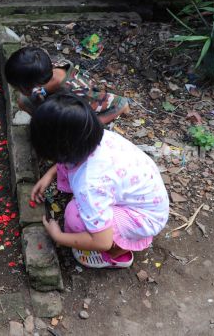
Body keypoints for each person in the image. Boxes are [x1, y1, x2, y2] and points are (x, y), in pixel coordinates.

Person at [29, 94, 168, 268]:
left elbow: (101, 241)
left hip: (145, 217)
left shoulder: (90, 184)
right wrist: (49, 175)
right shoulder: (93, 136)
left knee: (73, 216)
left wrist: (59, 237)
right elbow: (67, 162)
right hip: (145, 198)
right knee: (80, 202)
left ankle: (116, 253)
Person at [4, 46, 130, 124]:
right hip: (55, 99)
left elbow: (121, 104)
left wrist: (91, 126)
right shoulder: (43, 64)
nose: (16, 89)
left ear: (33, 85)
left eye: (17, 87)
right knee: (24, 101)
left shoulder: (77, 90)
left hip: (76, 105)